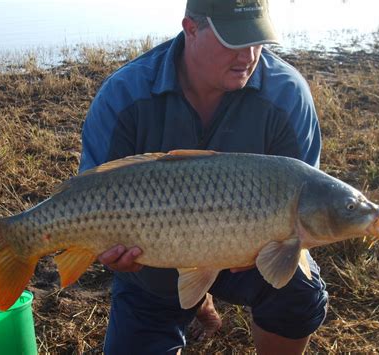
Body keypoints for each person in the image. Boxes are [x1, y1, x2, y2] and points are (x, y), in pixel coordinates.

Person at [79, 0, 328, 353]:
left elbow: (306, 204)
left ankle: (204, 297)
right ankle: (195, 302)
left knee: (297, 291)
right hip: (151, 260)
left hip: (253, 258)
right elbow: (88, 193)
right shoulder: (124, 95)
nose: (248, 55)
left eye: (257, 39)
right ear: (191, 29)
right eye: (233, 40)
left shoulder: (287, 96)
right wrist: (102, 246)